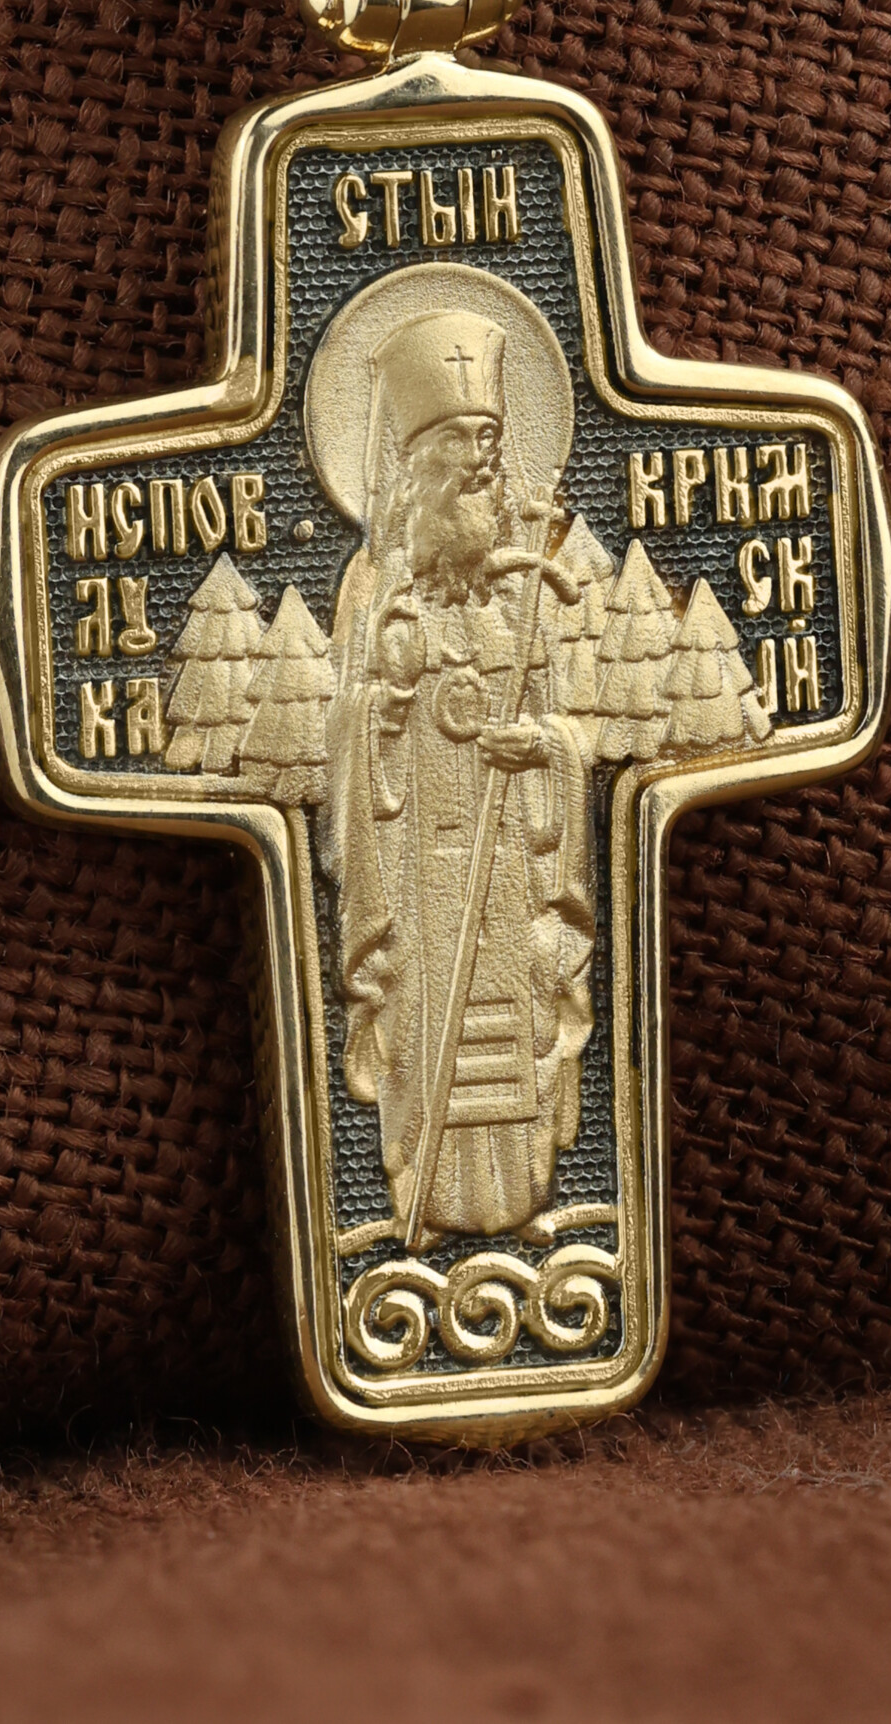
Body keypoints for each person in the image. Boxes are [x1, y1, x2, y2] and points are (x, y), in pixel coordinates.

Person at [320, 308, 593, 1245]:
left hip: (509, 856)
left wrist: (543, 747)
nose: (478, 462)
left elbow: (568, 729)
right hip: (418, 872)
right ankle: (423, 1200)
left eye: (489, 441)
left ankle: (520, 1201)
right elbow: (343, 732)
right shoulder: (375, 591)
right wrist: (385, 711)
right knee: (425, 1025)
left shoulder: (524, 598)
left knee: (512, 1026)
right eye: (456, 442)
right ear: (414, 466)